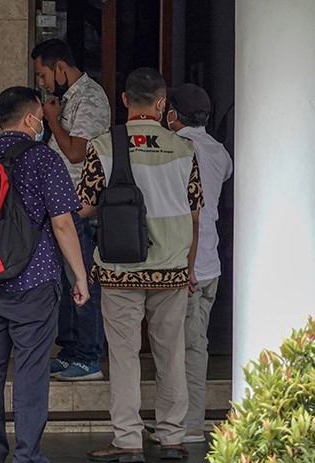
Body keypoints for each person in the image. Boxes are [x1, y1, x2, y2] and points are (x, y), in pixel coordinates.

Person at [79, 68, 204, 462]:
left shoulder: (104, 145)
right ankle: (171, 437)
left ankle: (128, 439)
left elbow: (84, 205)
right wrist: (189, 267)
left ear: (124, 100)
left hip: (120, 269)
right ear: (162, 103)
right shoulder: (184, 150)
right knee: (171, 355)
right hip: (171, 268)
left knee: (124, 355)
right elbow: (195, 215)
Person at [0, 86, 88, 463]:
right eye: (41, 115)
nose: (43, 123)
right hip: (33, 282)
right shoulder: (44, 160)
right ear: (29, 119)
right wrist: (80, 276)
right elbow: (63, 224)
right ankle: (27, 454)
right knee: (30, 370)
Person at [31, 38, 111, 381]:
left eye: (44, 74)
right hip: (62, 205)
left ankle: (89, 354)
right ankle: (70, 349)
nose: (42, 82)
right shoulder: (66, 99)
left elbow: (77, 153)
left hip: (81, 205)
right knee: (66, 283)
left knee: (84, 280)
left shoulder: (90, 97)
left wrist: (51, 120)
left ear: (61, 67)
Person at [166, 83, 233, 443]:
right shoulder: (219, 152)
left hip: (188, 264)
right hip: (210, 261)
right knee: (192, 344)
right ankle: (177, 421)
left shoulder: (179, 149)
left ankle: (189, 425)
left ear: (174, 113)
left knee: (187, 348)